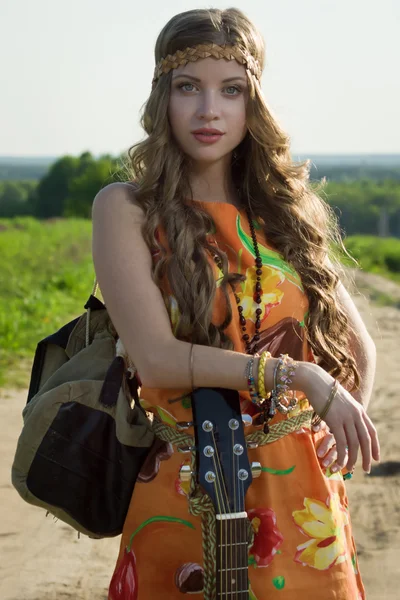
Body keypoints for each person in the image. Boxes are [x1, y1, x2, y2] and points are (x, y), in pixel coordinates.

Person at [91, 8, 380, 600]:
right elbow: (158, 359)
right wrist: (298, 375)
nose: (208, 111)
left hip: (303, 507)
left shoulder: (285, 211)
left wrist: (334, 437)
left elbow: (360, 345)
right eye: (187, 87)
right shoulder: (126, 210)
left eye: (231, 90)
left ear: (254, 102)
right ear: (161, 98)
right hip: (185, 490)